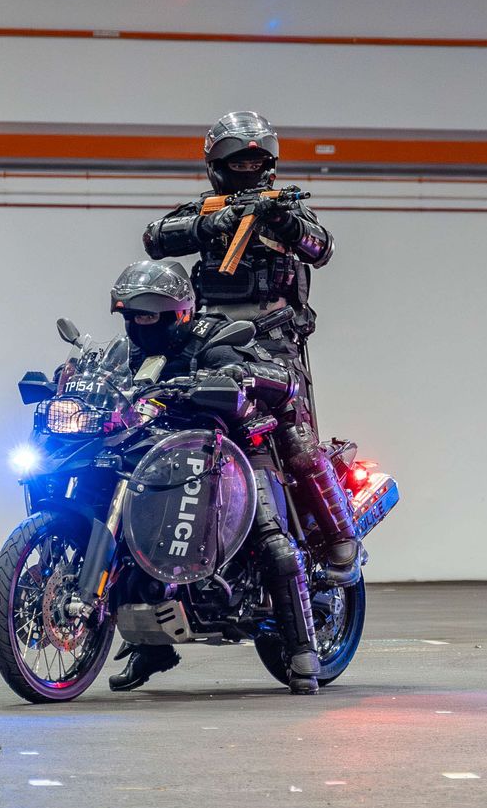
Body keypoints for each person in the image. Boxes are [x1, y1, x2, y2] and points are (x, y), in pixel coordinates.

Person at [140, 112, 362, 589]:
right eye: (235, 160)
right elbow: (155, 238)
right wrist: (213, 224)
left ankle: (341, 538)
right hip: (208, 342)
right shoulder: (205, 208)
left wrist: (281, 221)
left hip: (274, 343)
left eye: (253, 160)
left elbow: (321, 248)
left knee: (294, 437)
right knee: (155, 412)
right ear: (216, 165)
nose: (245, 168)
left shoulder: (286, 208)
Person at [103, 260, 325, 695]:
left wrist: (239, 376)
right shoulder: (123, 353)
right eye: (131, 315)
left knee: (275, 547)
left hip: (238, 450)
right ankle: (152, 647)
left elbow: (283, 377)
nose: (138, 324)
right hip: (164, 454)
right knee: (130, 545)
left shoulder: (215, 339)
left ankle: (303, 651)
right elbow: (103, 380)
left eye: (148, 315)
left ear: (178, 313)